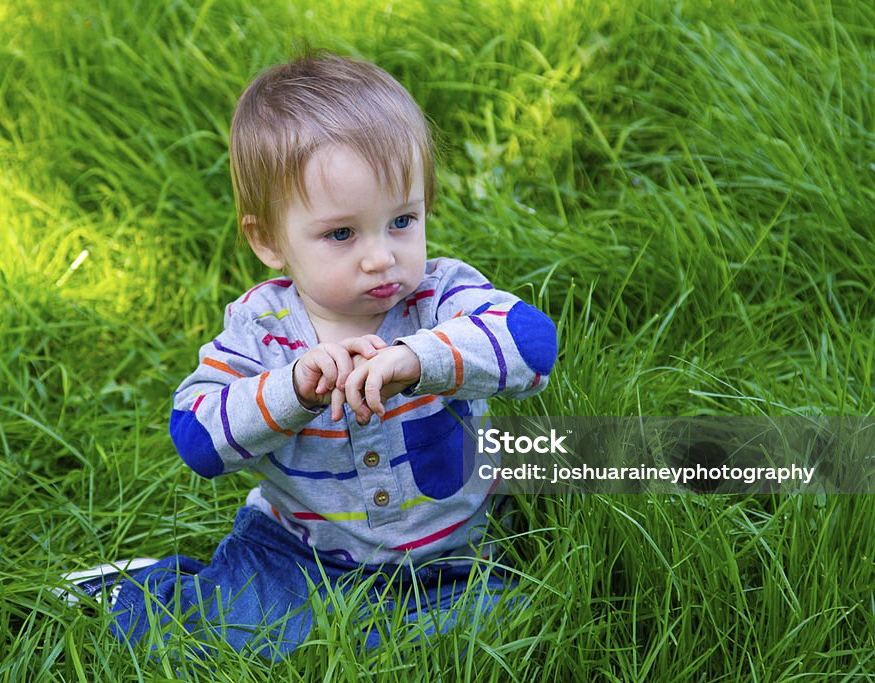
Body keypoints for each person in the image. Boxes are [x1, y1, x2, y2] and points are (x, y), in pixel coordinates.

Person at [61, 51, 557, 661]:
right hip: (300, 554)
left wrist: (416, 359)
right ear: (268, 240)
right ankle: (137, 590)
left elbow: (532, 345)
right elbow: (195, 435)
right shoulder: (262, 329)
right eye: (341, 234)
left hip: (454, 557)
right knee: (221, 636)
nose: (381, 257)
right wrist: (292, 389)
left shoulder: (440, 297)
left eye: (402, 220)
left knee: (496, 639)